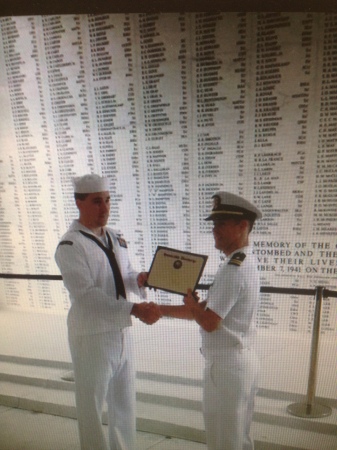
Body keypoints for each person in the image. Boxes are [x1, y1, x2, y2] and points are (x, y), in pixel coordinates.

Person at [55, 174, 161, 450]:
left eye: (107, 200)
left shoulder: (115, 237)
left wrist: (139, 279)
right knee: (91, 407)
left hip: (121, 332)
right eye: (96, 202)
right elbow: (86, 295)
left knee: (124, 404)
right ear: (79, 204)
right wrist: (134, 308)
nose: (104, 208)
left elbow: (123, 274)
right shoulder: (70, 246)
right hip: (92, 336)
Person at [159, 191, 262, 450]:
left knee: (223, 441)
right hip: (240, 362)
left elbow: (209, 321)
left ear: (243, 226)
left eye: (222, 224)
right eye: (214, 224)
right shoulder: (242, 262)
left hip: (227, 367)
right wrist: (162, 309)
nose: (215, 230)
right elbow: (206, 310)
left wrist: (193, 307)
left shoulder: (232, 269)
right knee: (239, 437)